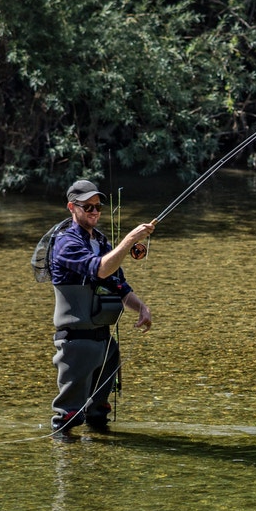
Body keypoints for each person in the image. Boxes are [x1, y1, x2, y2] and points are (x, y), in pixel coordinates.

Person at [49, 179, 155, 432]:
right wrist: (130, 239)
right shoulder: (65, 243)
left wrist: (141, 308)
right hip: (76, 343)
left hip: (105, 343)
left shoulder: (101, 241)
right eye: (88, 207)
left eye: (98, 206)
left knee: (98, 414)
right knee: (68, 417)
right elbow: (100, 269)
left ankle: (100, 454)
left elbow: (118, 284)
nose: (95, 211)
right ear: (72, 207)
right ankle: (62, 455)